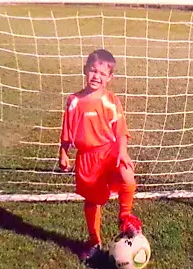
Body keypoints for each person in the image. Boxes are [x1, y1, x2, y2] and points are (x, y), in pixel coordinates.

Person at [59, 49, 143, 262]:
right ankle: (94, 241)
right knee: (93, 201)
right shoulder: (74, 101)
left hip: (110, 151)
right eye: (93, 71)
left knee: (128, 175)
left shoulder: (111, 100)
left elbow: (121, 129)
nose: (96, 76)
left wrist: (122, 152)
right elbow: (67, 129)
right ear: (85, 70)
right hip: (87, 158)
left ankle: (125, 218)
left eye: (102, 73)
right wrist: (63, 152)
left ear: (109, 78)